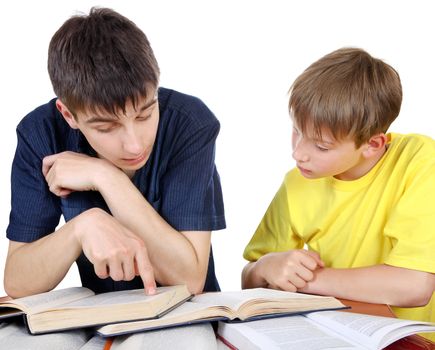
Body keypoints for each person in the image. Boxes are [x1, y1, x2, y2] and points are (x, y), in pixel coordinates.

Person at [4, 7, 225, 299]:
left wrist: (106, 177)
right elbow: (17, 281)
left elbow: (189, 279)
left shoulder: (191, 123)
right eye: (107, 127)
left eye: (145, 115)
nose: (134, 145)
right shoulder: (40, 133)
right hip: (101, 322)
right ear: (68, 115)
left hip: (188, 315)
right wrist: (81, 228)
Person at [241, 48, 435, 340]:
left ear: (372, 144)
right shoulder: (296, 183)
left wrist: (304, 280)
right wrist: (265, 267)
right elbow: (252, 281)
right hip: (335, 335)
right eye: (296, 130)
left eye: (321, 146)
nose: (298, 154)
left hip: (413, 342)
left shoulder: (420, 161)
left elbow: (414, 286)